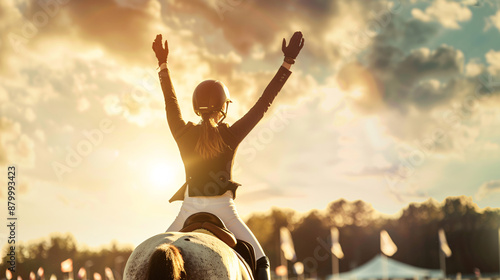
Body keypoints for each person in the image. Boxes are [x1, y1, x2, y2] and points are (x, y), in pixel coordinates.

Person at [152, 31, 304, 280]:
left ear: (195, 106)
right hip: (223, 209)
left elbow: (170, 100)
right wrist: (287, 63)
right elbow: (263, 103)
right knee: (261, 259)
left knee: (157, 255)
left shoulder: (182, 132)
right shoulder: (230, 136)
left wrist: (162, 63)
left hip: (187, 210)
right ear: (223, 107)